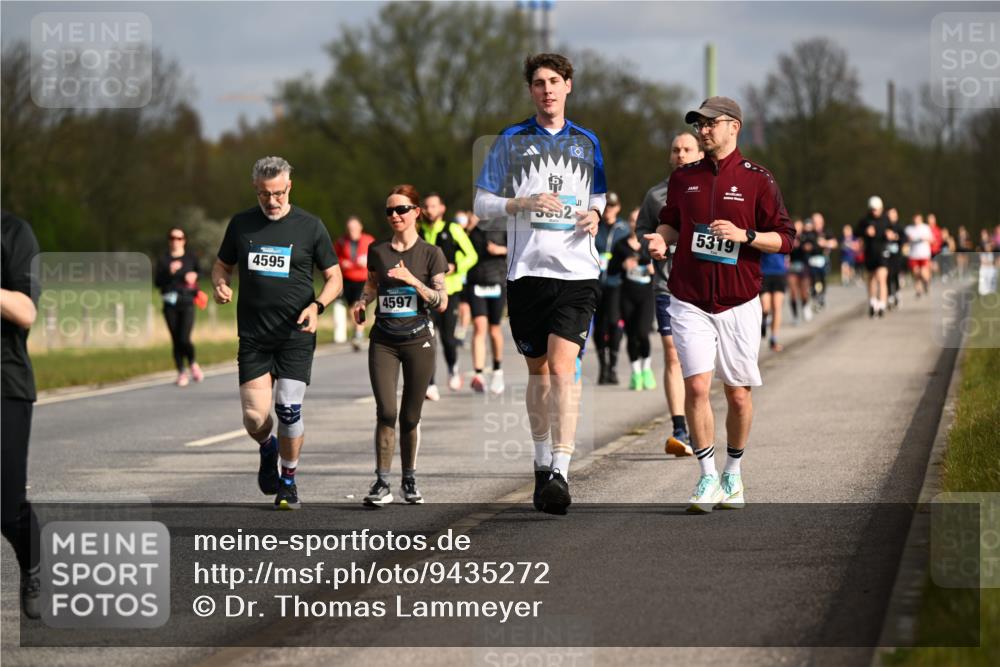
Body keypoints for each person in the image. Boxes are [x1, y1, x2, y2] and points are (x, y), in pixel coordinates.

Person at [645, 96, 795, 513]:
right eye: (699, 124)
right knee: (696, 385)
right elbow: (671, 221)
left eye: (711, 124)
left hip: (738, 300)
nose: (703, 131)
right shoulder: (683, 178)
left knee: (739, 395)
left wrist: (744, 236)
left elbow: (786, 238)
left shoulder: (758, 180)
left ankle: (733, 472)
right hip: (688, 296)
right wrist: (661, 238)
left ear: (734, 127)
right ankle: (707, 476)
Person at [473, 52, 607, 515]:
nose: (547, 89)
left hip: (577, 272)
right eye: (538, 83)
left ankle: (562, 474)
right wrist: (521, 202)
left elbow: (600, 197)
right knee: (538, 372)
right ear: (530, 90)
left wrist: (595, 214)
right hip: (527, 273)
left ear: (568, 86)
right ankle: (540, 461)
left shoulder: (587, 141)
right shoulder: (511, 140)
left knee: (562, 368)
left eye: (555, 81)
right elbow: (481, 205)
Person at [212, 156, 342, 510]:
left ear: (289, 188)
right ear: (256, 190)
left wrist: (317, 307)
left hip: (295, 334)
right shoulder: (241, 224)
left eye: (278, 194)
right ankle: (268, 448)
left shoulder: (310, 226)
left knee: (287, 408)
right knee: (255, 418)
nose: (272, 201)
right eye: (264, 195)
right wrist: (220, 284)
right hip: (254, 335)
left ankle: (288, 482)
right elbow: (222, 264)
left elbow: (335, 277)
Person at [353, 185, 448, 506]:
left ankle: (409, 479)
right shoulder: (378, 251)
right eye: (389, 211)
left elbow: (441, 301)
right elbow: (371, 283)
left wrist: (413, 281)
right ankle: (382, 482)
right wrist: (362, 302)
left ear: (416, 213)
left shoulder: (431, 254)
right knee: (386, 411)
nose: (394, 215)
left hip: (419, 340)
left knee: (409, 416)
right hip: (384, 341)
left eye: (401, 210)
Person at [636, 131, 704, 456]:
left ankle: (699, 418)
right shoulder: (655, 195)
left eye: (687, 149)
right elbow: (641, 230)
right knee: (673, 353)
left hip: (705, 285)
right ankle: (679, 428)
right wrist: (651, 246)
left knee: (698, 362)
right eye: (676, 150)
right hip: (667, 284)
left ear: (699, 153)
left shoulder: (711, 189)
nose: (681, 155)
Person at [1, 211, 42, 618]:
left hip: (5, 383)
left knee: (5, 506)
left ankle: (33, 563)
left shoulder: (13, 232)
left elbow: (25, 311)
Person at [420, 193, 477, 396]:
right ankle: (430, 383)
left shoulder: (452, 229)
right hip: (425, 294)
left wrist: (455, 266)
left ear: (442, 209)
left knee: (447, 338)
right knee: (427, 338)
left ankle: (453, 368)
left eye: (433, 206)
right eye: (426, 206)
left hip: (449, 291)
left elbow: (472, 255)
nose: (429, 210)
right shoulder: (418, 231)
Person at [608, 210, 655, 391]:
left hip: (646, 296)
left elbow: (663, 264)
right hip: (626, 295)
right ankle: (635, 373)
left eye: (638, 220)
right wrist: (622, 265)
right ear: (629, 223)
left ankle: (646, 370)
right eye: (632, 220)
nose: (635, 224)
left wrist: (652, 269)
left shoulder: (649, 244)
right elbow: (611, 271)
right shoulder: (620, 246)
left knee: (643, 333)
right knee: (631, 335)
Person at [154, 227, 204, 386]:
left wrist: (194, 276)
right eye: (172, 238)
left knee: (184, 338)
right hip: (170, 304)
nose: (176, 241)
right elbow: (157, 282)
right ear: (169, 241)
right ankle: (181, 372)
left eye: (179, 238)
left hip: (187, 302)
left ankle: (193, 363)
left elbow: (201, 273)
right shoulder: (163, 260)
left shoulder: (191, 258)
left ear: (184, 240)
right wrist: (169, 272)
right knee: (176, 340)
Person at [465, 212, 508, 394]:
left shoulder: (503, 225)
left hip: (497, 280)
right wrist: (468, 229)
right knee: (479, 326)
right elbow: (461, 249)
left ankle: (497, 370)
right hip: (476, 281)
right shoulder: (473, 228)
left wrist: (501, 250)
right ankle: (479, 374)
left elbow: (518, 248)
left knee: (494, 329)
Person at [593, 192, 629, 384]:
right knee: (599, 325)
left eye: (613, 207)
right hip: (596, 282)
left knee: (614, 323)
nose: (609, 210)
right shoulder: (595, 226)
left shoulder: (623, 228)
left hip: (616, 283)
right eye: (607, 206)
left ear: (618, 208)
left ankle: (613, 366)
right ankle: (603, 366)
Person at [334, 216, 375, 351]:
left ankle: (358, 333)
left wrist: (368, 262)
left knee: (359, 305)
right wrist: (342, 263)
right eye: (350, 228)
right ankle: (357, 331)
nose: (352, 230)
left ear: (360, 228)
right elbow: (334, 258)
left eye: (355, 228)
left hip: (363, 279)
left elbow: (377, 257)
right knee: (351, 308)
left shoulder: (368, 240)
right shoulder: (341, 241)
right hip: (347, 279)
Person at [857, 196, 890, 318]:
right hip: (870, 253)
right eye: (872, 209)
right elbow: (856, 232)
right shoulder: (865, 220)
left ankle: (882, 305)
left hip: (882, 253)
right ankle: (872, 302)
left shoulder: (886, 219)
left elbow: (894, 232)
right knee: (871, 279)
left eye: (876, 209)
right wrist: (865, 232)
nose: (874, 212)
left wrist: (890, 235)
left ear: (881, 208)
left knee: (881, 278)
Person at [760, 250, 788, 352]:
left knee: (777, 307)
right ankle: (763, 322)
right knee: (765, 307)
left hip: (779, 274)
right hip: (764, 274)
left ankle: (773, 339)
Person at [788, 218, 813, 324]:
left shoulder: (806, 237)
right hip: (792, 267)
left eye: (799, 226)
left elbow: (810, 247)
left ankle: (805, 305)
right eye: (796, 226)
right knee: (793, 292)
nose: (798, 228)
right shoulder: (790, 237)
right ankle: (795, 315)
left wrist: (803, 246)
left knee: (804, 292)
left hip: (804, 266)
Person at [905, 213, 933, 297]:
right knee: (916, 273)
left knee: (923, 273)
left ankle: (926, 283)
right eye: (915, 219)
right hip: (913, 255)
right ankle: (918, 290)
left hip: (924, 254)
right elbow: (905, 240)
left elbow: (932, 239)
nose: (916, 221)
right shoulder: (909, 229)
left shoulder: (926, 228)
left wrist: (925, 239)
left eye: (918, 219)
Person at [885, 207, 904, 310]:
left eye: (893, 214)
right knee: (888, 275)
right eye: (889, 214)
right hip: (887, 255)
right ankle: (889, 295)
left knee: (896, 275)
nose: (891, 216)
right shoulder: (885, 226)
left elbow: (904, 239)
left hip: (897, 256)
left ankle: (897, 292)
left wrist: (896, 237)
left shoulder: (899, 227)